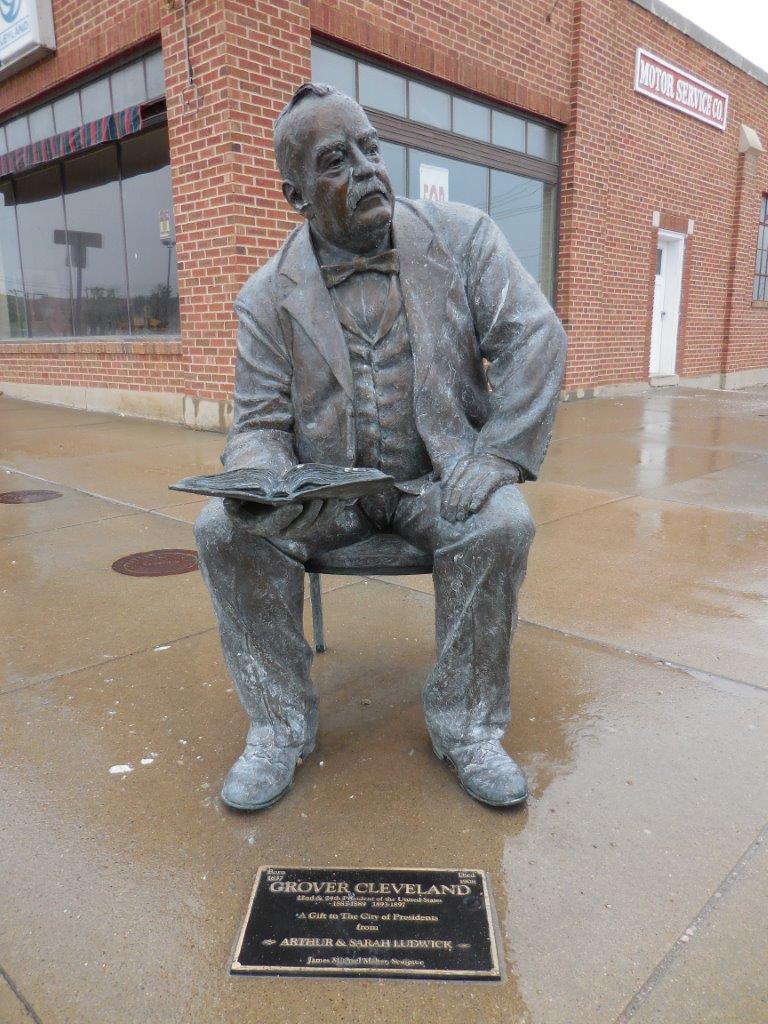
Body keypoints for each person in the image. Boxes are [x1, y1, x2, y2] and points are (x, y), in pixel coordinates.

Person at [194, 82, 567, 811]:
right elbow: (259, 425)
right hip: (327, 496)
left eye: (371, 148)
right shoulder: (265, 296)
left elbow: (535, 335)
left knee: (504, 521)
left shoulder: (462, 239)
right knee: (222, 532)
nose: (366, 169)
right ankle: (278, 724)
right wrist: (266, 482)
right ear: (295, 194)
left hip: (438, 480)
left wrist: (495, 456)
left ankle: (466, 728)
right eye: (337, 159)